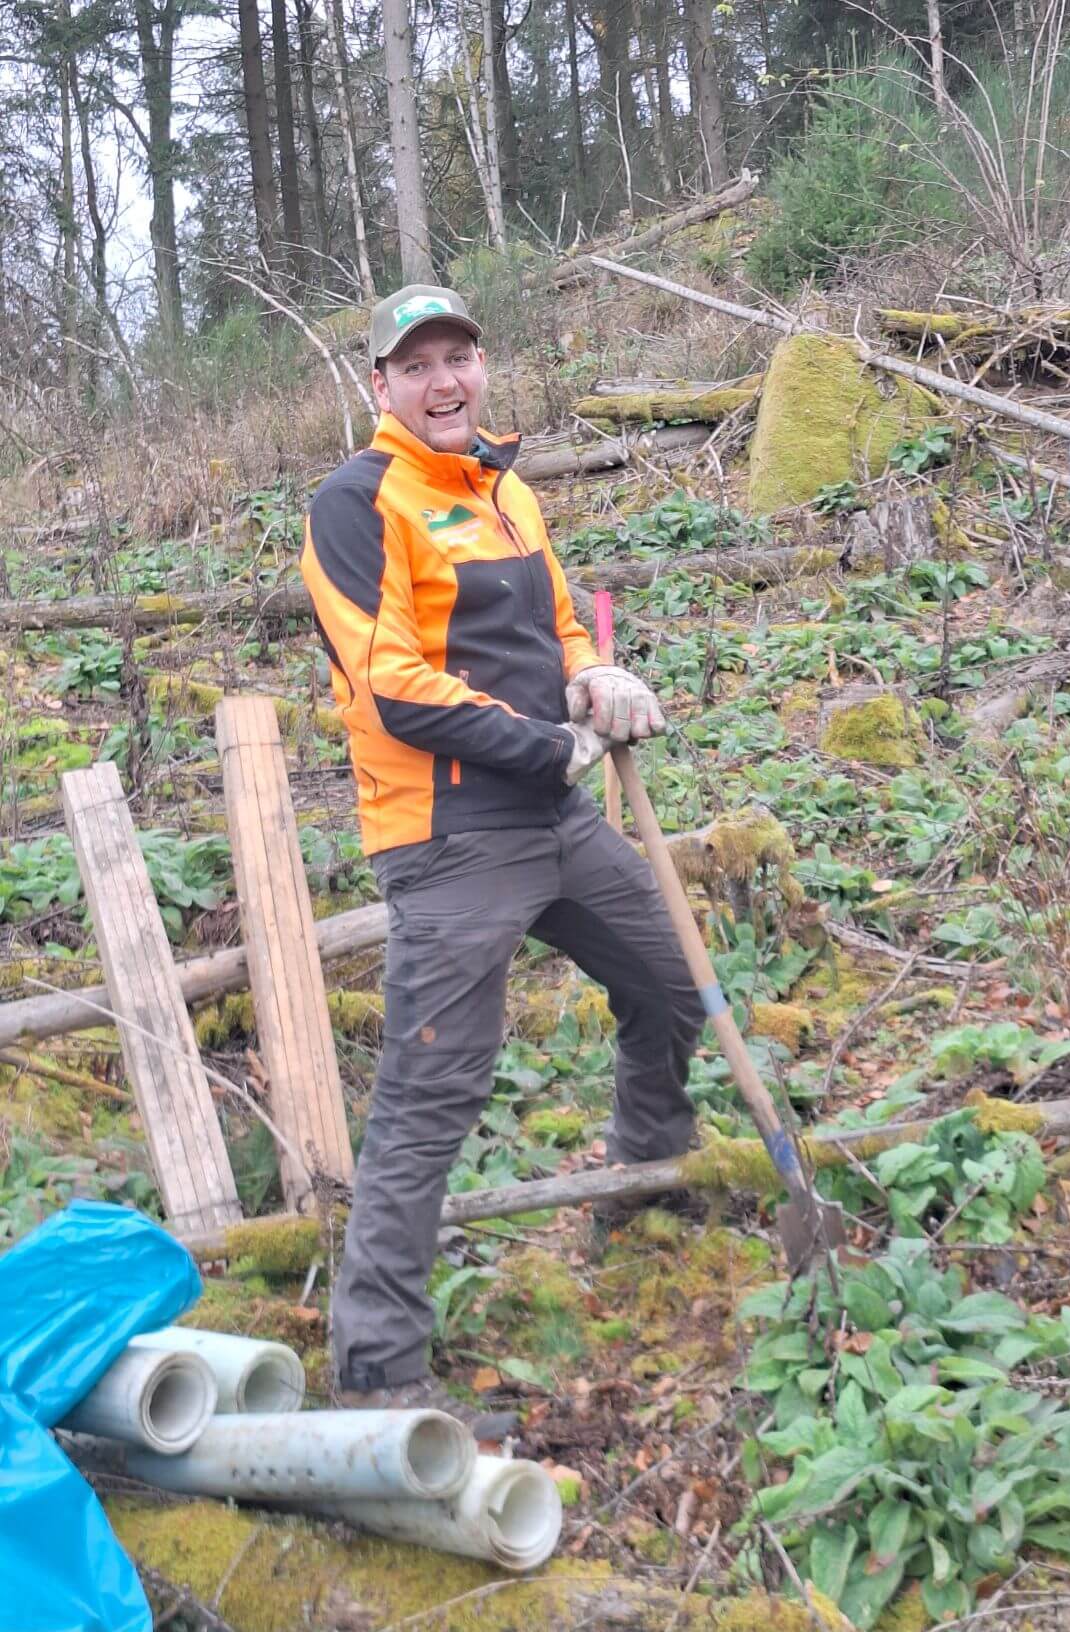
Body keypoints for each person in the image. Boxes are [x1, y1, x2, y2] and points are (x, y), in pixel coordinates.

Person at [300, 284, 705, 1433]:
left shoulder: (506, 486)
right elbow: (391, 682)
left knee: (673, 987)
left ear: (482, 367)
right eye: (417, 365)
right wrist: (545, 743)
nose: (444, 382)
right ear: (379, 386)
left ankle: (647, 1185)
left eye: (460, 357)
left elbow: (561, 623)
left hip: (557, 817)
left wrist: (594, 677)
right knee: (433, 1095)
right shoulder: (356, 501)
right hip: (448, 837)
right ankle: (380, 1374)